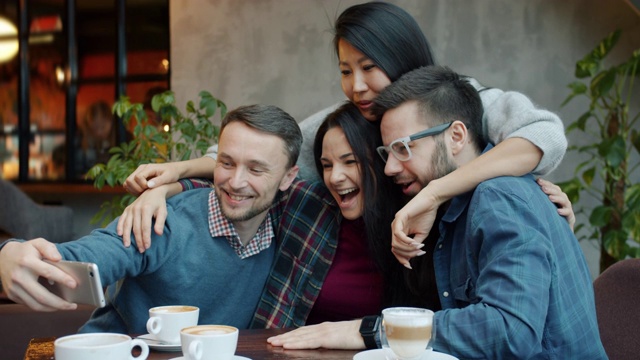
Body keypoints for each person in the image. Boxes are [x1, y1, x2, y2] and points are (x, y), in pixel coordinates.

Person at [119, 2, 573, 252]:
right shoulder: (354, 119)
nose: (356, 86)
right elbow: (273, 157)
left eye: (369, 67)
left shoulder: (462, 99)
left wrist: (442, 191)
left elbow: (544, 137)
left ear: (403, 56)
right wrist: (175, 177)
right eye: (344, 69)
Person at [275, 66, 607, 358]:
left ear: (457, 136)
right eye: (386, 152)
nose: (390, 167)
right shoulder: (452, 208)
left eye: (403, 148)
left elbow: (509, 329)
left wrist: (366, 331)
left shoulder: (499, 196)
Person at [0, 104, 305, 334]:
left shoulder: (288, 232)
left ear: (288, 178)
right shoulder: (163, 220)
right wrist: (11, 252)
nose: (236, 182)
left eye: (255, 170)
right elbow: (94, 254)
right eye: (226, 162)